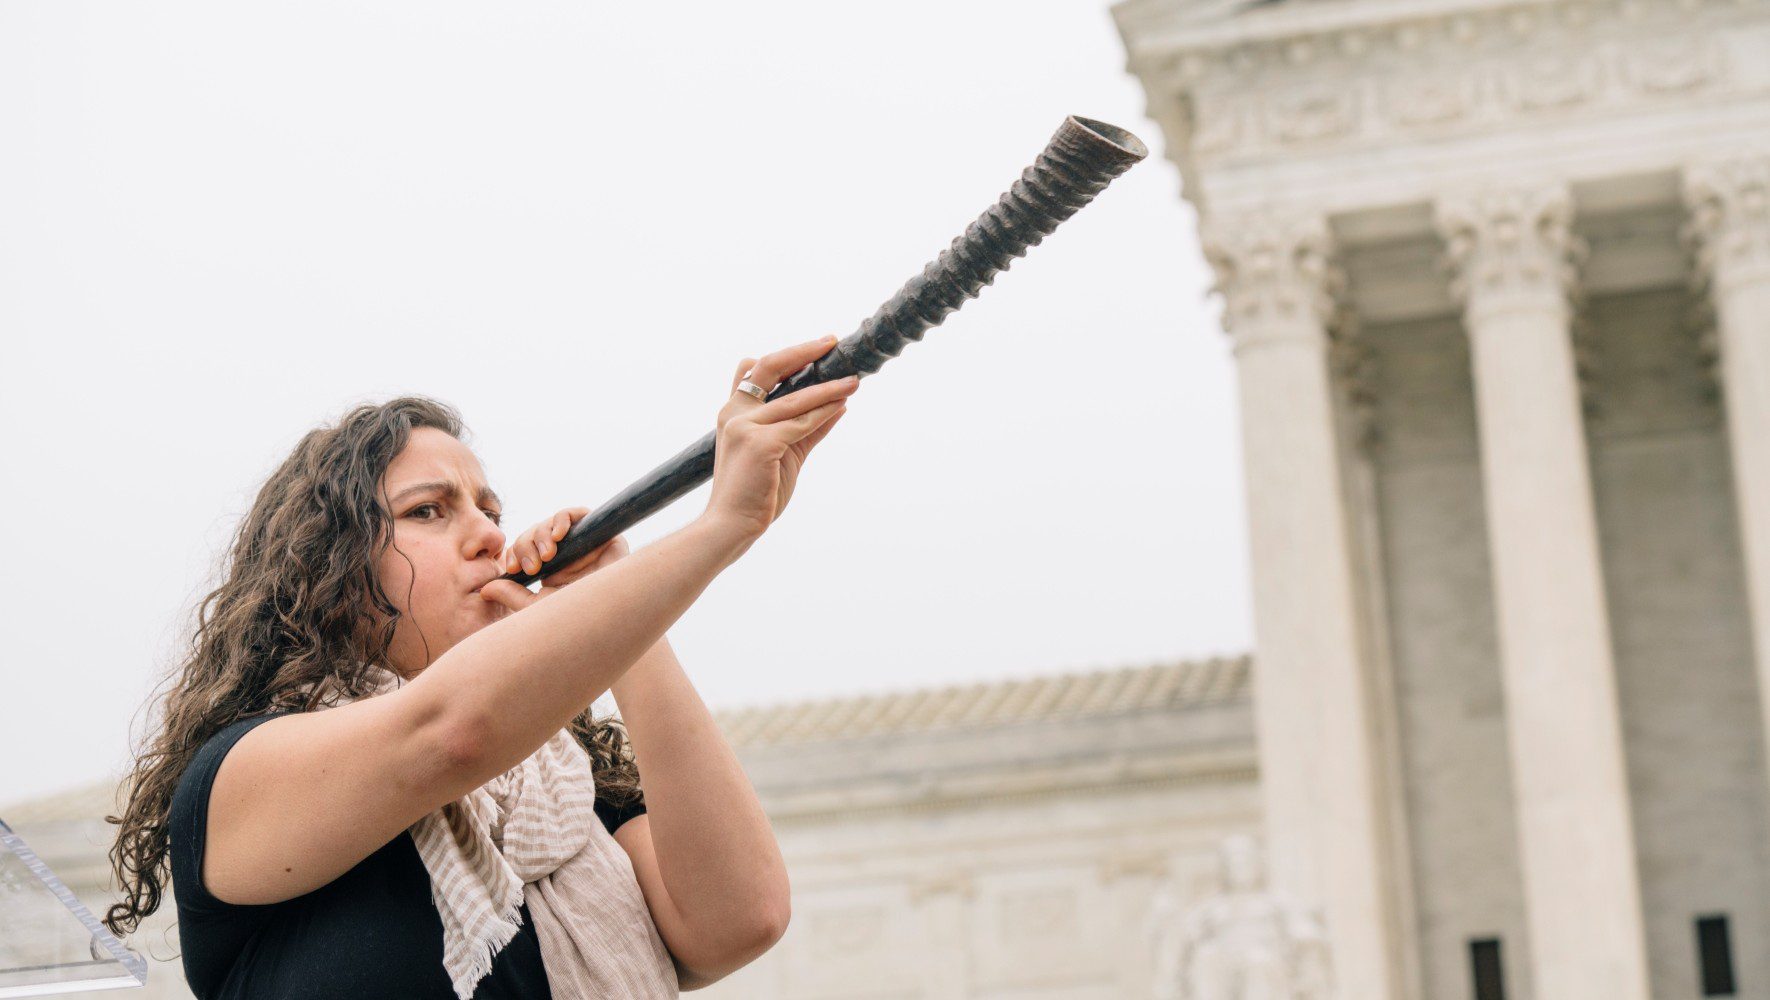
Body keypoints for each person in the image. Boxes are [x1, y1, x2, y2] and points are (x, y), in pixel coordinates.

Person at [101, 334, 861, 998]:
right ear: (324, 572)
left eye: (490, 511)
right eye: (430, 511)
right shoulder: (239, 774)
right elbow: (451, 733)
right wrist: (722, 526)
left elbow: (741, 919)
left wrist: (617, 613)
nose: (489, 538)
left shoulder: (568, 797)